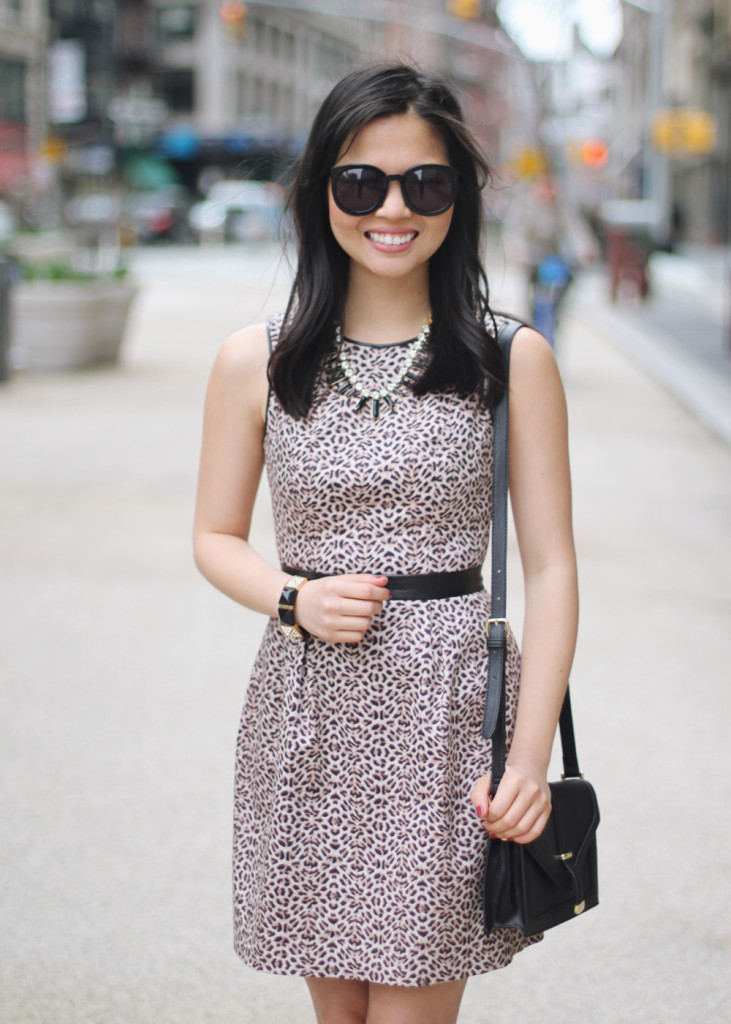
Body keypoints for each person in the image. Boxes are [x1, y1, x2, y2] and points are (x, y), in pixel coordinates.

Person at [193, 62, 578, 1024]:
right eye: (361, 183)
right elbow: (213, 537)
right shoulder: (256, 361)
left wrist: (527, 758)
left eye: (425, 183)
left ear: (458, 199)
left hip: (448, 724)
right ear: (321, 190)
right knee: (339, 1015)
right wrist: (294, 597)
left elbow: (552, 567)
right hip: (307, 718)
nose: (392, 209)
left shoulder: (509, 359)